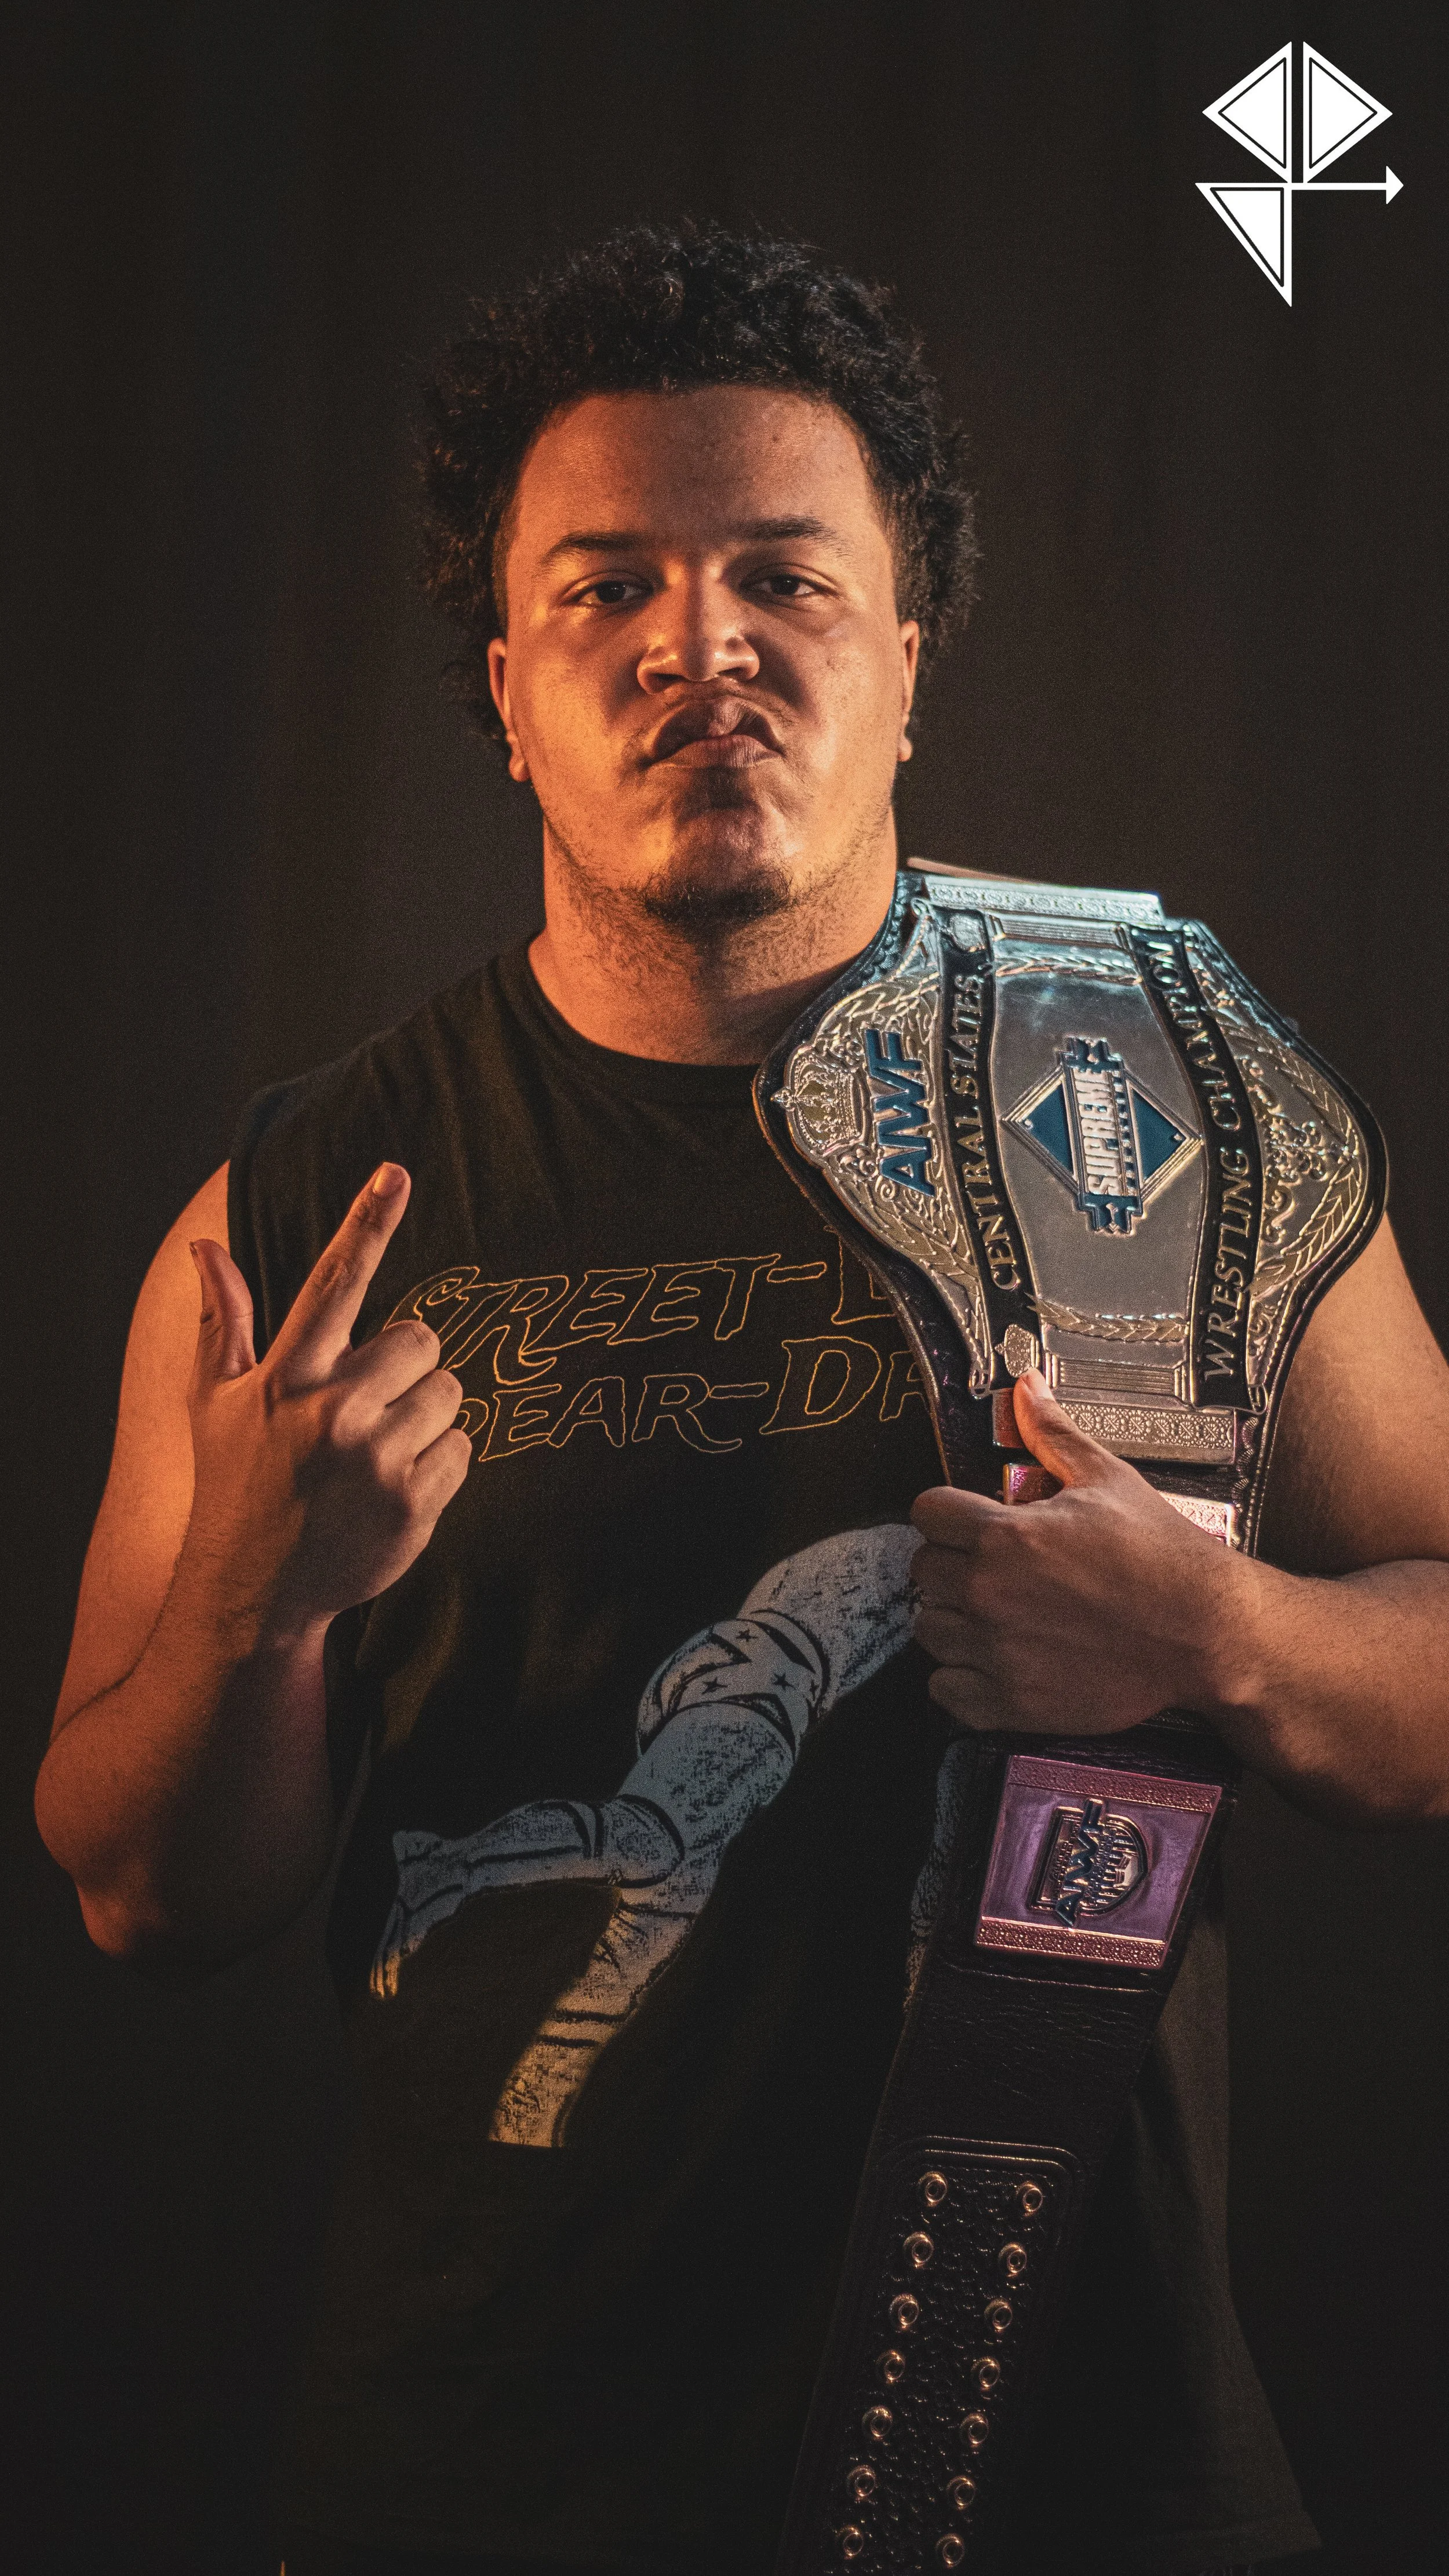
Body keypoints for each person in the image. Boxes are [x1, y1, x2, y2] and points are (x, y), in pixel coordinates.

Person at [35, 223, 1449, 2576]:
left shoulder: (1157, 1106)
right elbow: (136, 1892)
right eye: (608, 588)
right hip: (484, 2478)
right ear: (507, 694)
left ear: (904, 664)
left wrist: (1220, 1636)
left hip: (1066, 2463)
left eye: (784, 578)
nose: (702, 644)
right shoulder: (297, 1207)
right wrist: (251, 1605)